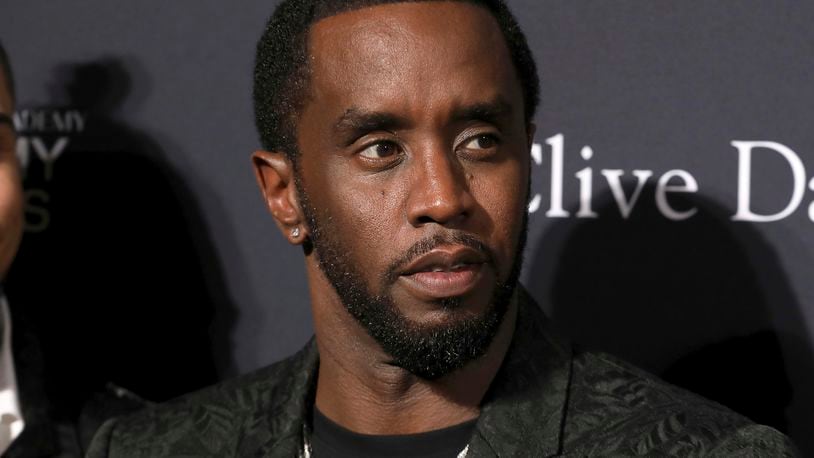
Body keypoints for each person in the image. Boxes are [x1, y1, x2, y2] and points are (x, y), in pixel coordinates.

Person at [88, 0, 797, 456]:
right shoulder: (152, 451)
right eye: (380, 149)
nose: (444, 197)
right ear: (285, 195)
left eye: (482, 139)